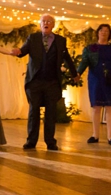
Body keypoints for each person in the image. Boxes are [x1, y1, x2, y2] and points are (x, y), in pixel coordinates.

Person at [11, 14, 79, 151]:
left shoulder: (60, 40)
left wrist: (74, 73)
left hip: (52, 82)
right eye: (43, 21)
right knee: (33, 112)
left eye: (49, 21)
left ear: (53, 25)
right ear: (40, 24)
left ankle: (50, 142)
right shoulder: (33, 38)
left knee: (51, 113)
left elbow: (66, 58)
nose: (46, 23)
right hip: (34, 82)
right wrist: (17, 51)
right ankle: (31, 142)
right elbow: (23, 50)